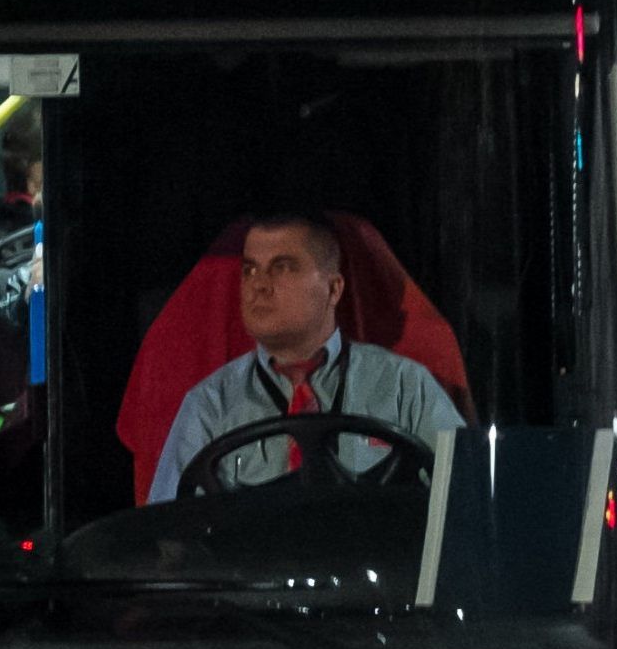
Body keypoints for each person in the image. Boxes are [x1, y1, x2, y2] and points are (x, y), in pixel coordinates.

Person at [145, 212, 464, 501]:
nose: (259, 286)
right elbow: (168, 531)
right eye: (250, 270)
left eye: (282, 268)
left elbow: (468, 498)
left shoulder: (405, 386)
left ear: (334, 289)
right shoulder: (210, 404)